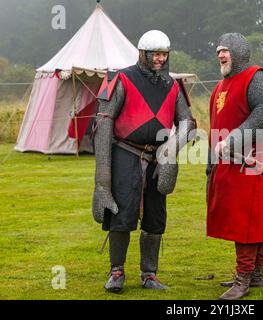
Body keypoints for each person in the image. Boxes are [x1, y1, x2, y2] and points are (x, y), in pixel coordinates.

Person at [92, 30, 196, 293]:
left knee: (155, 216)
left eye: (164, 54)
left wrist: (172, 148)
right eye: (156, 54)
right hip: (124, 153)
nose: (161, 59)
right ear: (143, 53)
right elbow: (103, 125)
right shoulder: (120, 78)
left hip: (158, 157)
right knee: (120, 211)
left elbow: (188, 123)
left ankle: (149, 274)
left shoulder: (173, 85)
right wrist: (102, 183)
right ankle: (117, 271)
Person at [206, 33, 263, 300]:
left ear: (239, 52)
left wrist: (232, 141)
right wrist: (212, 163)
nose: (220, 55)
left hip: (252, 163)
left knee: (247, 224)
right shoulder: (222, 85)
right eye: (218, 50)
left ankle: (244, 279)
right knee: (248, 222)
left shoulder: (257, 78)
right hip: (230, 165)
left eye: (225, 50)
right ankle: (256, 274)